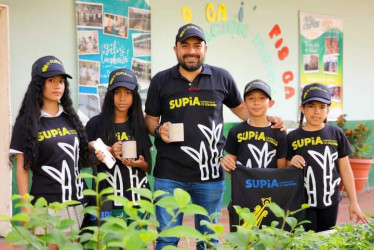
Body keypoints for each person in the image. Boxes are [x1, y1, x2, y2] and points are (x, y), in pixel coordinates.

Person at [145, 23, 283, 249]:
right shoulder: (161, 80)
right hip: (169, 173)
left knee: (208, 240)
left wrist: (271, 119)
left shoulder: (221, 78)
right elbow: (150, 118)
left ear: (205, 49)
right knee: (167, 238)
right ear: (175, 49)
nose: (191, 51)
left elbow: (243, 110)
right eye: (185, 46)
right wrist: (158, 129)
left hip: (210, 174)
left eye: (197, 45)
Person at [9, 55, 90, 240]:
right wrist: (24, 205)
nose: (58, 86)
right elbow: (22, 167)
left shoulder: (73, 117)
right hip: (47, 204)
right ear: (39, 84)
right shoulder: (27, 122)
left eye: (61, 81)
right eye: (51, 80)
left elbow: (84, 150)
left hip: (77, 201)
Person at [287, 83, 368, 232]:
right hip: (303, 203)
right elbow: (284, 168)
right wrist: (291, 162)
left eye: (322, 107)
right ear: (302, 109)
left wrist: (354, 202)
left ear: (328, 110)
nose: (317, 111)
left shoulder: (335, 133)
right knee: (307, 242)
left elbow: (345, 168)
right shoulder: (292, 137)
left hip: (331, 201)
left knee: (326, 239)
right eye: (311, 105)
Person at [85, 68, 152, 222]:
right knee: (109, 241)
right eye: (117, 92)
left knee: (135, 243)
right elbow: (84, 162)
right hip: (107, 199)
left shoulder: (139, 124)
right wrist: (107, 153)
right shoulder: (96, 124)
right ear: (110, 95)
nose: (123, 98)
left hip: (137, 198)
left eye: (128, 93)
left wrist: (140, 163)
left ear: (134, 96)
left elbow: (148, 167)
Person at [220, 79, 287, 231]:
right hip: (243, 199)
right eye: (251, 98)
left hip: (270, 200)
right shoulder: (235, 131)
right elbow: (231, 166)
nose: (256, 103)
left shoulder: (279, 133)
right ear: (244, 103)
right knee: (242, 241)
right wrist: (226, 163)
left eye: (262, 98)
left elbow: (282, 171)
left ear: (271, 103)